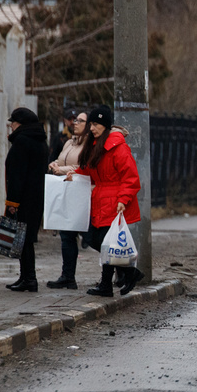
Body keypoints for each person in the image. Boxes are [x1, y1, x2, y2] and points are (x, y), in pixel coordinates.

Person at [75, 105, 144, 297]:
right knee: (94, 239)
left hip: (114, 202)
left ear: (105, 125)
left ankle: (107, 284)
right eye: (91, 124)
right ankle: (129, 272)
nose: (92, 128)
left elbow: (131, 177)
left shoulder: (118, 147)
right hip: (100, 200)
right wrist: (74, 174)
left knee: (106, 242)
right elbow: (89, 170)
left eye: (96, 124)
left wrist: (123, 199)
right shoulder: (95, 145)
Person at [4, 107, 50, 292]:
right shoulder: (40, 141)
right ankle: (26, 277)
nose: (11, 126)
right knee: (26, 238)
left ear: (20, 124)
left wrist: (12, 202)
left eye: (13, 122)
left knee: (23, 239)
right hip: (36, 197)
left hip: (23, 198)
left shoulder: (22, 141)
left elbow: (17, 175)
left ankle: (29, 278)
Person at [45, 109, 88, 289]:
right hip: (66, 191)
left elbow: (83, 166)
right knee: (66, 235)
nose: (75, 123)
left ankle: (123, 270)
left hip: (82, 193)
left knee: (91, 236)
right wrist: (54, 164)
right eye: (75, 120)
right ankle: (68, 276)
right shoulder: (69, 142)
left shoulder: (89, 144)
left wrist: (60, 170)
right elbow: (62, 160)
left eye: (80, 121)